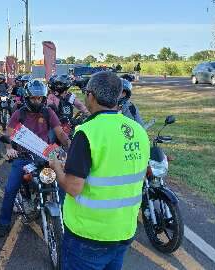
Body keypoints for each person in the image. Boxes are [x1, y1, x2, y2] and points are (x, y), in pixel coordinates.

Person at [49, 71, 150, 270]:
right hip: (124, 231)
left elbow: (72, 187)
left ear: (91, 95)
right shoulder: (138, 130)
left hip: (89, 235)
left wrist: (56, 167)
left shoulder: (87, 132)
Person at [0, 80, 71, 238]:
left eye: (39, 98)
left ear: (43, 98)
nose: (36, 101)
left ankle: (66, 218)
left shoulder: (48, 112)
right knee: (10, 190)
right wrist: (9, 149)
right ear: (27, 98)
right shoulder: (19, 113)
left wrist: (70, 148)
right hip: (24, 157)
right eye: (33, 98)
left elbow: (60, 134)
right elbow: (9, 135)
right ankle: (4, 223)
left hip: (47, 157)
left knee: (62, 186)